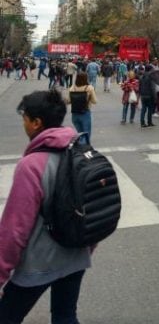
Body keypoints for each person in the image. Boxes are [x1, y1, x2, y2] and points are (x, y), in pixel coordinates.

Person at [0, 89, 92, 323]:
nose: (24, 123)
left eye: (25, 118)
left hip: (37, 264)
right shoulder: (80, 152)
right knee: (65, 315)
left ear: (36, 123)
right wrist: (86, 248)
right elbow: (93, 207)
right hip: (75, 256)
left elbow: (14, 230)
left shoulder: (31, 165)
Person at [66, 72, 97, 145]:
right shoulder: (89, 88)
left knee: (80, 134)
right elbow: (94, 101)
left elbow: (68, 101)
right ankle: (84, 150)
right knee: (86, 134)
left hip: (74, 114)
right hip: (85, 113)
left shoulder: (72, 88)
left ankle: (80, 148)